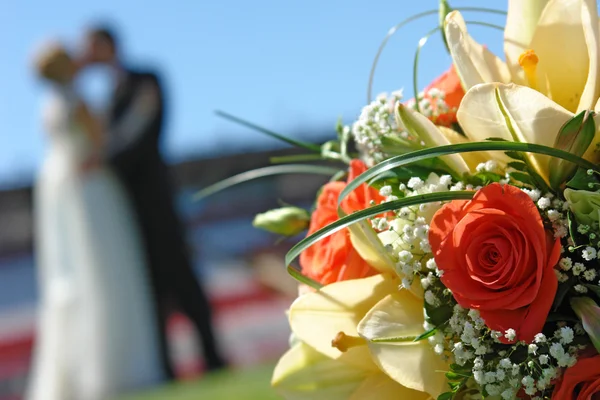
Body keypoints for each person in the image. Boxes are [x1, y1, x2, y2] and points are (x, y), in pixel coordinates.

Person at [82, 26, 227, 379]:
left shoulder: (146, 79)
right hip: (124, 211)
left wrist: (105, 159)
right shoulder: (105, 99)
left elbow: (142, 134)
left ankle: (212, 356)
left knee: (181, 278)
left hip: (155, 202)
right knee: (149, 292)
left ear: (108, 44)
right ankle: (164, 367)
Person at [27, 43, 164, 400]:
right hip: (91, 192)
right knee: (106, 274)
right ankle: (114, 367)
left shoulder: (51, 105)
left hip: (61, 192)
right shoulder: (78, 101)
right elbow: (103, 145)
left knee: (74, 277)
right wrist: (138, 115)